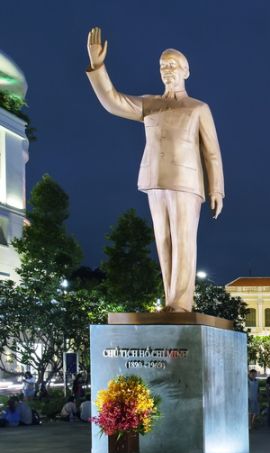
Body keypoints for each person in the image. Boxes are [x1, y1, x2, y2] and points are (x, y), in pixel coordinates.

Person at [86, 27, 225, 312]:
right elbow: (113, 101)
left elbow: (211, 152)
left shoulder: (198, 108)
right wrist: (98, 66)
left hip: (187, 181)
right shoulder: (150, 104)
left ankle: (181, 303)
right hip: (154, 179)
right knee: (163, 240)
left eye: (173, 66)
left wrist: (217, 189)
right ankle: (170, 300)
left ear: (186, 71)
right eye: (163, 66)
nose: (167, 71)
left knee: (183, 238)